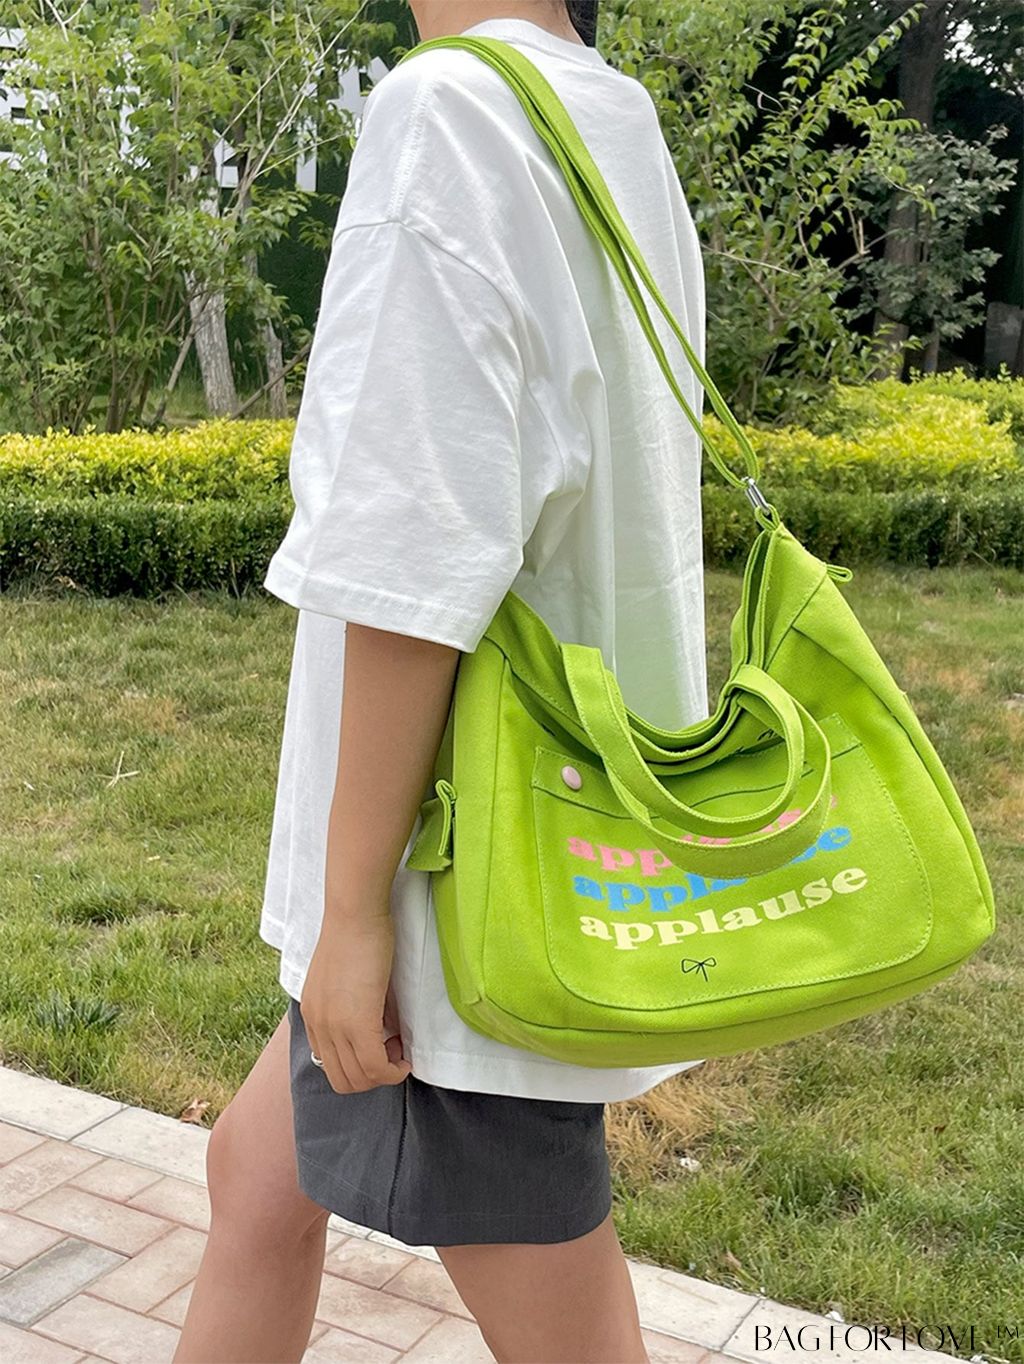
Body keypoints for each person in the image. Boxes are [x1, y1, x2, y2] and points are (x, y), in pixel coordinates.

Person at [174, 1, 711, 1360]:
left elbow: (415, 543)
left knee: (563, 1324)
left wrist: (354, 914)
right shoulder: (603, 111)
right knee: (256, 1180)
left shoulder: (450, 109)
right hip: (542, 824)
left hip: (454, 882)